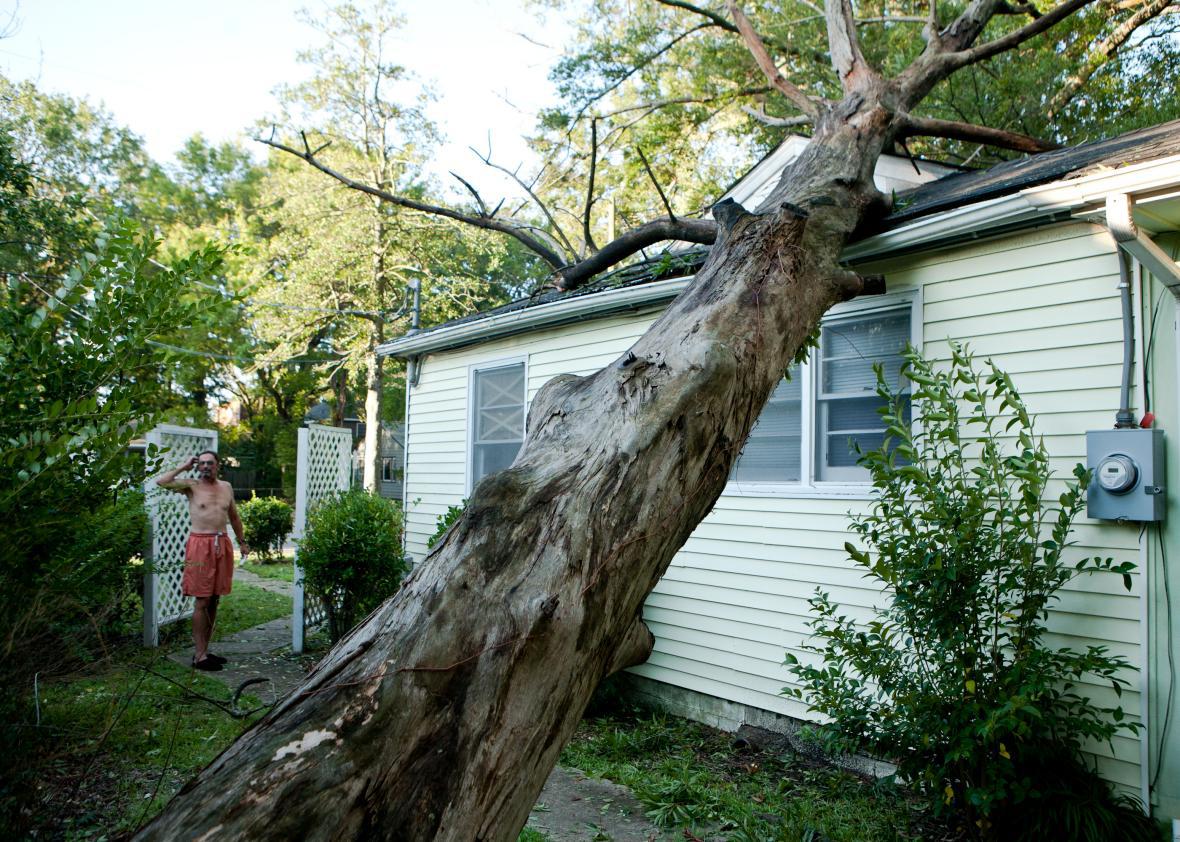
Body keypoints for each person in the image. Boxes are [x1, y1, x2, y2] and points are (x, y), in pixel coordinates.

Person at [156, 450, 249, 671]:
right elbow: (162, 482)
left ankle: (204, 650)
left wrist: (242, 541)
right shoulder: (191, 485)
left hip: (222, 543)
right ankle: (199, 656)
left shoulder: (226, 487)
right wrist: (184, 466)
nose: (206, 466)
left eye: (210, 463)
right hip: (200, 545)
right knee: (203, 600)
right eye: (202, 463)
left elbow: (234, 517)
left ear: (218, 465)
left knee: (215, 598)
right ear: (198, 466)